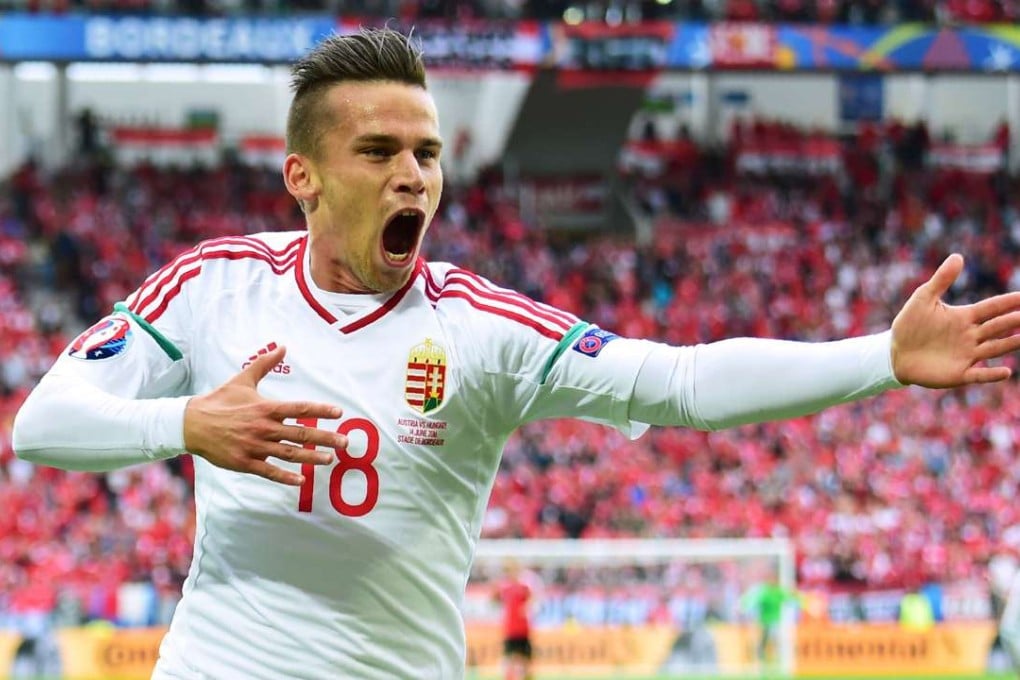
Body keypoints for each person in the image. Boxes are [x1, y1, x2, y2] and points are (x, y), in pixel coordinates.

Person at [11, 27, 1020, 680]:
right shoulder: (213, 284)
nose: (412, 176)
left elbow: (678, 381)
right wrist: (182, 423)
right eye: (378, 153)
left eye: (427, 153)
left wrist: (879, 356)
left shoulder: (481, 329)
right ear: (302, 177)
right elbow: (41, 424)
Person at [740, 576, 801, 670]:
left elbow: (791, 599)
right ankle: (764, 660)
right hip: (766, 623)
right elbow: (753, 602)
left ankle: (775, 660)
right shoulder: (766, 593)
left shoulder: (777, 592)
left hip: (775, 622)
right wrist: (745, 607)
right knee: (767, 642)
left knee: (774, 641)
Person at [495, 560, 539, 680]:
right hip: (510, 629)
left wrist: (526, 607)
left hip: (523, 629)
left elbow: (534, 598)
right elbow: (494, 599)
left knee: (526, 660)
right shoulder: (504, 587)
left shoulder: (523, 587)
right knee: (510, 658)